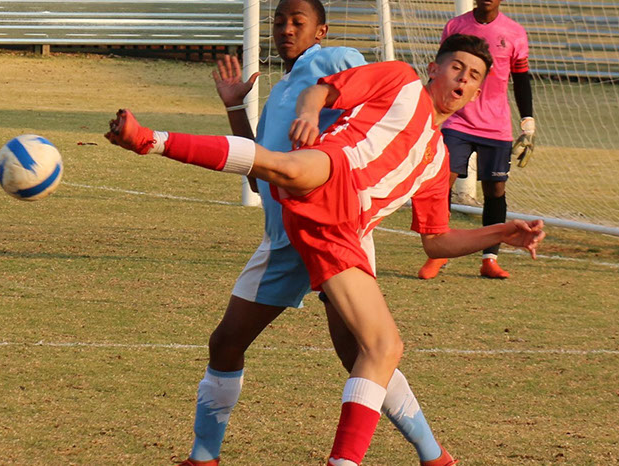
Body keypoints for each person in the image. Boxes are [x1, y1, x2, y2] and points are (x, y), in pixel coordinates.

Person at [106, 33, 545, 465]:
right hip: (329, 178)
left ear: (477, 92)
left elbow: (437, 240)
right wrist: (310, 113)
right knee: (289, 175)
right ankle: (151, 139)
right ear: (434, 69)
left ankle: (432, 456)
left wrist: (501, 232)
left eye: (474, 76)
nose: (463, 79)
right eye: (456, 68)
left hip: (341, 233)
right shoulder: (400, 79)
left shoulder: (437, 160)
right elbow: (322, 90)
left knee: (369, 351)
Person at [171, 1, 458, 464]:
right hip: (284, 239)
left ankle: (432, 454)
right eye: (279, 22)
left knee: (365, 351)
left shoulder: (335, 59)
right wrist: (235, 106)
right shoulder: (279, 94)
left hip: (333, 224)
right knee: (226, 343)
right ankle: (203, 457)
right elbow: (258, 175)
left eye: (297, 22)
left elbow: (366, 106)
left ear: (320, 30)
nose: (286, 29)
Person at [418, 0, 536, 280]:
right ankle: (438, 252)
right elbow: (442, 72)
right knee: (442, 181)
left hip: (496, 126)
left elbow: (521, 78)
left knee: (495, 190)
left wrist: (528, 121)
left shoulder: (515, 32)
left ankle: (489, 259)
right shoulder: (455, 26)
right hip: (456, 120)